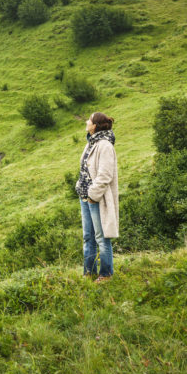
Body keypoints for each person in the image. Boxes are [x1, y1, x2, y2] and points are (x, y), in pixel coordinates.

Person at [75, 112, 118, 283]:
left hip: (96, 198)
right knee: (88, 237)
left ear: (95, 125)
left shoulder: (105, 145)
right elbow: (85, 169)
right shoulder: (91, 143)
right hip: (84, 197)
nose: (86, 121)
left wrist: (93, 195)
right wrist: (81, 188)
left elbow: (105, 175)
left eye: (90, 120)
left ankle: (106, 274)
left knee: (101, 237)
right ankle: (89, 272)